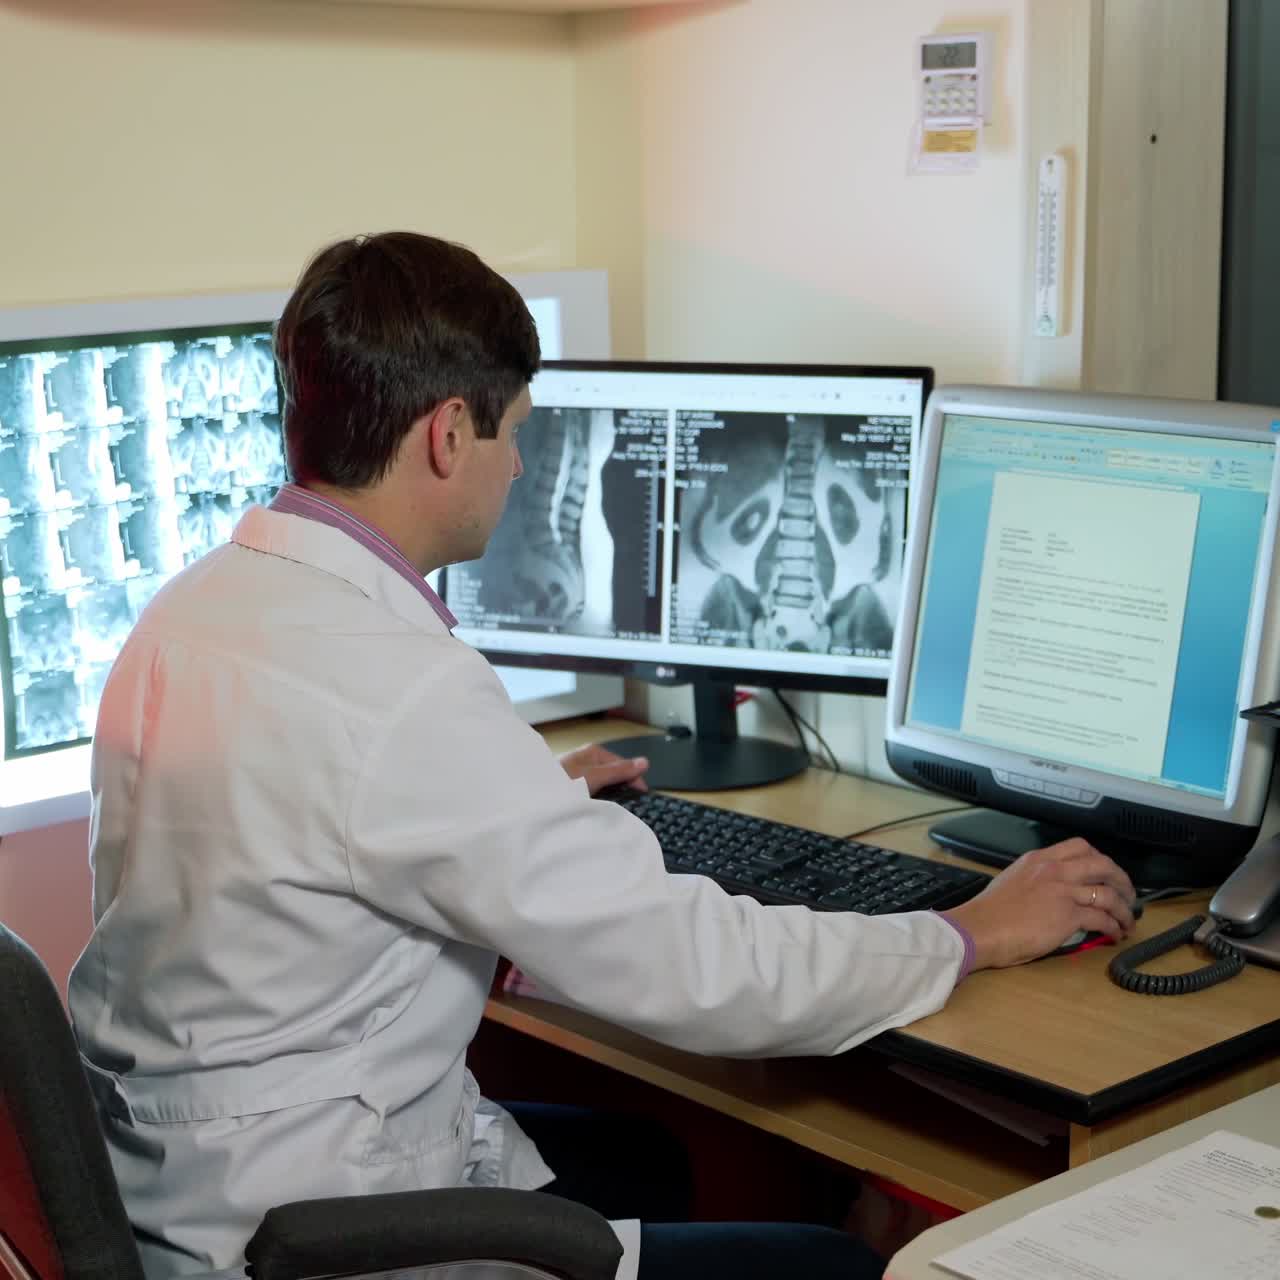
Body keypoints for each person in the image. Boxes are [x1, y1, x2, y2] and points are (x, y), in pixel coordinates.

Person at [67, 231, 1137, 1280]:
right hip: (316, 1227)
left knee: (645, 1158)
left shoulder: (190, 614)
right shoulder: (399, 689)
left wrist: (519, 804)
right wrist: (963, 932)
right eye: (513, 431)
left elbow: (303, 821)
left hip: (179, 1176)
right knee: (830, 1263)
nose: (521, 462)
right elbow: (696, 968)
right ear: (448, 433)